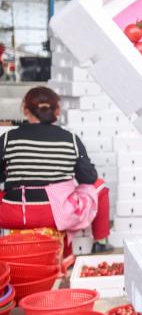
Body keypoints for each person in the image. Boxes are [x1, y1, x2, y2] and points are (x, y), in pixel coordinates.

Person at [0, 87, 110, 258]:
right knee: (100, 186)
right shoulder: (71, 139)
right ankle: (101, 242)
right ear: (57, 111)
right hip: (55, 215)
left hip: (12, 214)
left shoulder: (7, 138)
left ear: (25, 110)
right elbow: (88, 178)